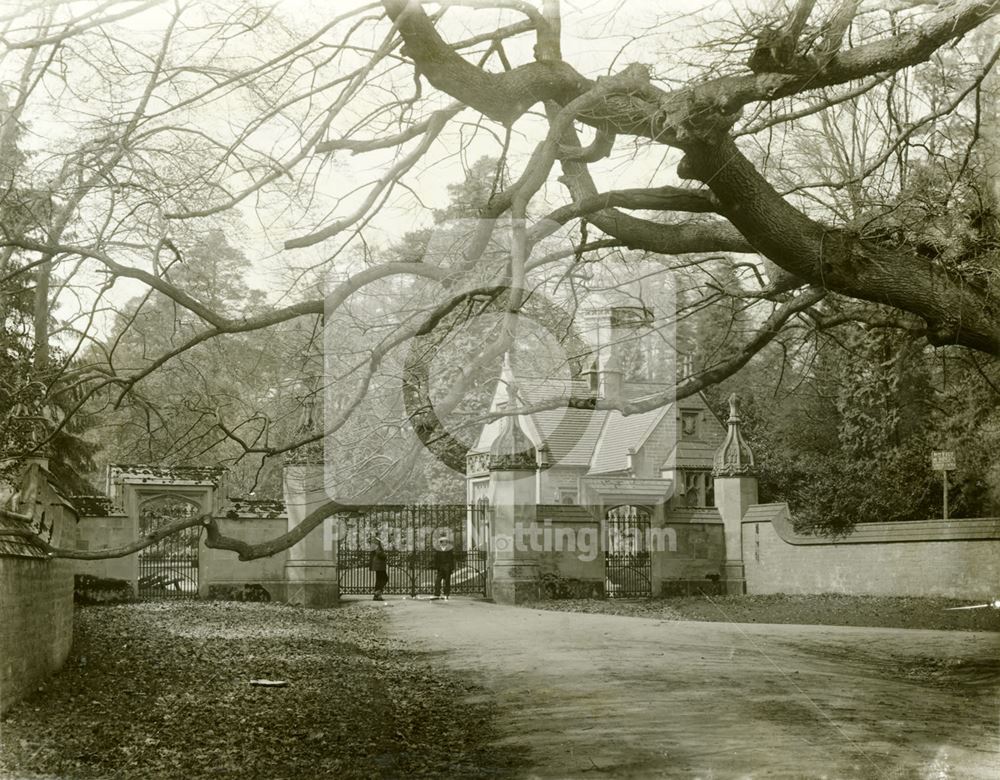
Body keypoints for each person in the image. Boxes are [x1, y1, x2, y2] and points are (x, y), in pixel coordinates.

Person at [432, 535, 455, 600]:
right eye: (443, 542)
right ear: (441, 542)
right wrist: (436, 568)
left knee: (447, 581)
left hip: (447, 567)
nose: (445, 543)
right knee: (437, 581)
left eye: (446, 542)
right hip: (440, 567)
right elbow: (436, 560)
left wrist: (452, 568)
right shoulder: (438, 550)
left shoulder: (449, 550)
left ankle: (446, 594)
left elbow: (452, 559)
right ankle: (437, 594)